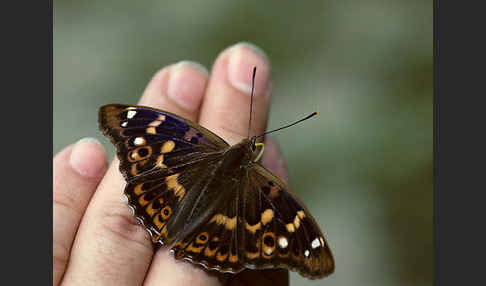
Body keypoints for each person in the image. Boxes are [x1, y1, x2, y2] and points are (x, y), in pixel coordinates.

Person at [53, 42, 289, 285]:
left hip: (172, 191)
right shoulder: (266, 187)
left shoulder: (195, 140)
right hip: (213, 227)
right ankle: (194, 241)